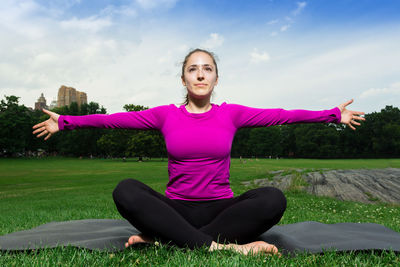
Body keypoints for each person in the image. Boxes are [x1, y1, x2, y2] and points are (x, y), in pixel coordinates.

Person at [32, 48, 365, 256]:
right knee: (126, 190)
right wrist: (67, 121)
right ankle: (225, 248)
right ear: (184, 78)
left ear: (216, 78)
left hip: (223, 212)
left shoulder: (231, 113)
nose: (201, 73)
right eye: (193, 68)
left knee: (273, 198)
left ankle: (167, 241)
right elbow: (114, 120)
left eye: (207, 68)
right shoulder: (165, 115)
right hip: (175, 210)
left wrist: (333, 114)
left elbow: (282, 115)